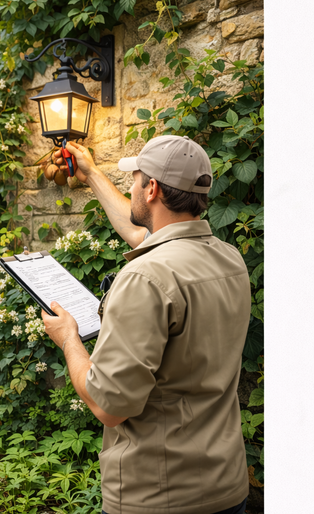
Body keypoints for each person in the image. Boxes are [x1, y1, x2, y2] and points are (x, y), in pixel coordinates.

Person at [40, 136, 250, 514]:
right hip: (226, 487)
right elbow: (147, 235)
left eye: (135, 180)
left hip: (159, 496)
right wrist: (90, 173)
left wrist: (70, 339)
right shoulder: (228, 259)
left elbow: (110, 405)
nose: (131, 188)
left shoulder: (145, 277)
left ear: (151, 188)